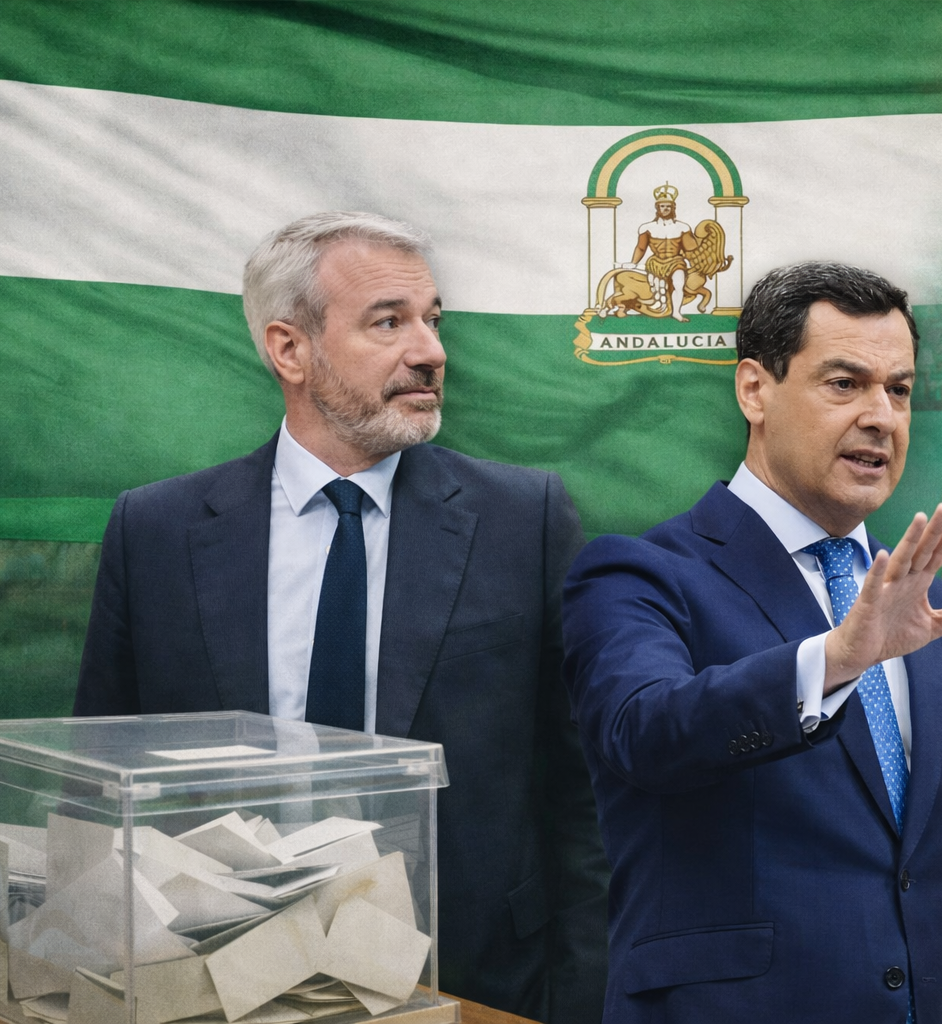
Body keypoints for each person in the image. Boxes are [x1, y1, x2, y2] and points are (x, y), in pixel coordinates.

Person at [74, 211, 608, 1022]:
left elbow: (586, 795)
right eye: (388, 322)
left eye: (433, 320)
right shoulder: (156, 531)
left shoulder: (521, 518)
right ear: (290, 349)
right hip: (211, 981)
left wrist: (576, 1002)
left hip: (469, 981)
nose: (430, 351)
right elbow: (97, 784)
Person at [563, 262, 942, 1023]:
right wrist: (835, 661)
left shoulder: (932, 611)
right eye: (845, 384)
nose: (882, 417)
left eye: (898, 389)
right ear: (754, 390)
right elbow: (644, 733)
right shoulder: (641, 574)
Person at [626, 183, 699, 321]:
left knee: (678, 283)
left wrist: (694, 261)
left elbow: (690, 249)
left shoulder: (683, 227)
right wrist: (633, 263)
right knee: (654, 286)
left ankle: (676, 312)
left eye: (668, 206)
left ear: (673, 208)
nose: (665, 209)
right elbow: (641, 248)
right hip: (656, 262)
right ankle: (656, 306)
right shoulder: (646, 228)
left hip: (675, 261)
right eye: (662, 206)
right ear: (657, 207)